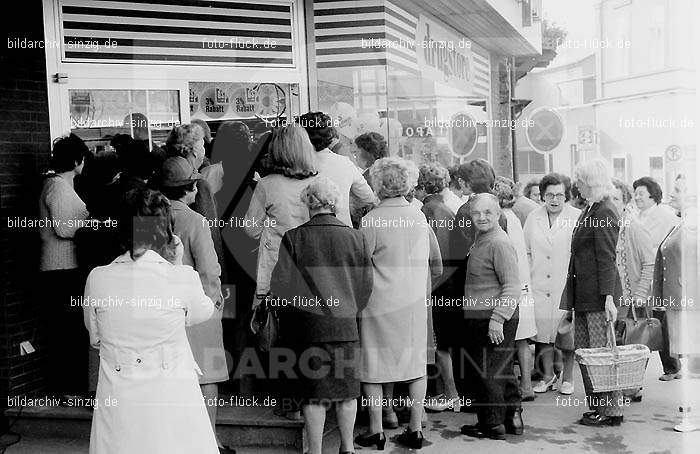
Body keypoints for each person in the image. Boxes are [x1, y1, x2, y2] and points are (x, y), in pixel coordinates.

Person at [84, 188, 219, 454]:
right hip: (172, 395)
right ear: (166, 230)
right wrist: (179, 264)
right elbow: (204, 311)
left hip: (119, 397)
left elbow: (95, 336)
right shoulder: (181, 277)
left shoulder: (97, 278)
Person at [270, 177, 372, 454]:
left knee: (314, 395)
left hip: (308, 328)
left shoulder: (294, 237)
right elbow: (366, 286)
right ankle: (348, 448)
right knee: (348, 391)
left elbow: (280, 286)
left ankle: (315, 450)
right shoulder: (356, 237)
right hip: (345, 325)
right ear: (335, 203)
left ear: (308, 203)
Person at [355, 157, 442, 450]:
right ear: (408, 183)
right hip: (414, 302)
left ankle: (377, 430)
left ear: (377, 185)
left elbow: (360, 266)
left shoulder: (370, 221)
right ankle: (416, 429)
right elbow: (437, 265)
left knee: (373, 367)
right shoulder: (419, 217)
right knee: (416, 365)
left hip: (378, 302)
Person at [159, 156, 231, 453]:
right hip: (197, 307)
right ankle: (209, 440)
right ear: (190, 189)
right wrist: (215, 304)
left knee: (170, 379)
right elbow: (209, 270)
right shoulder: (196, 220)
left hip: (163, 309)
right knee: (207, 377)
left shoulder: (150, 217)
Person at [561, 159, 623, 427]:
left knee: (600, 356)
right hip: (586, 295)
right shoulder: (592, 208)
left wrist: (609, 297)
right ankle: (599, 407)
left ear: (592, 182)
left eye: (581, 181)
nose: (577, 185)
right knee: (588, 354)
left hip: (598, 296)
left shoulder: (604, 211)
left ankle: (610, 411)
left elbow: (607, 258)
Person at [458, 193, 522, 440]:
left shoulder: (498, 242)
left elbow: (512, 286)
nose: (481, 217)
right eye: (476, 213)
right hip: (485, 315)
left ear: (498, 214)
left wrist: (498, 319)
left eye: (488, 212)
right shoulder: (483, 238)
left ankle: (492, 425)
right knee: (500, 369)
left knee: (488, 372)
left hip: (492, 317)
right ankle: (511, 419)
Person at [448, 159, 507, 402]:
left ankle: (480, 405)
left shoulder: (468, 210)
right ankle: (508, 411)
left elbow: (460, 256)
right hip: (496, 287)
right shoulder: (496, 207)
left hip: (473, 291)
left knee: (476, 353)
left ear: (464, 181)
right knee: (498, 356)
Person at [39, 133, 90, 399]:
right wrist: (93, 226)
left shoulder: (59, 186)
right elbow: (65, 227)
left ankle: (67, 387)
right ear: (77, 160)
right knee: (66, 329)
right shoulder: (58, 187)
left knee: (65, 328)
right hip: (61, 268)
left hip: (62, 267)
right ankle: (67, 389)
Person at [244, 124, 318, 300]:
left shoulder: (267, 185)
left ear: (276, 150)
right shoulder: (322, 182)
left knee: (276, 322)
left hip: (277, 266)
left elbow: (251, 230)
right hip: (313, 265)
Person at [523, 173, 580, 396]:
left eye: (559, 195)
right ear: (543, 196)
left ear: (566, 196)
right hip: (538, 284)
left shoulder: (576, 216)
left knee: (565, 334)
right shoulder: (533, 217)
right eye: (549, 195)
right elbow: (527, 251)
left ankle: (567, 377)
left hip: (564, 284)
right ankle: (547, 376)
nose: (554, 200)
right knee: (542, 335)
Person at [417, 163, 461, 413]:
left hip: (437, 286)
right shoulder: (446, 210)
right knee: (447, 343)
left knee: (440, 344)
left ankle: (451, 394)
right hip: (452, 284)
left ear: (422, 186)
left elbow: (433, 258)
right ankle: (451, 393)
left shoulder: (428, 211)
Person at [632, 176, 681, 380]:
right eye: (635, 193)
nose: (637, 197)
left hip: (661, 276)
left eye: (641, 193)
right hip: (642, 276)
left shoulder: (666, 215)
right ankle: (636, 373)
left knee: (661, 322)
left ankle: (672, 367)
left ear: (653, 194)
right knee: (642, 324)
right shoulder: (636, 216)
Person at [611, 178, 655, 402]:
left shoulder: (634, 227)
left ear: (625, 202)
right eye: (609, 198)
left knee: (633, 342)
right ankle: (626, 386)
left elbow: (649, 262)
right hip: (616, 298)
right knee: (619, 343)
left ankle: (631, 387)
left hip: (633, 298)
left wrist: (639, 295)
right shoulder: (609, 226)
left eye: (616, 198)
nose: (612, 202)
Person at [494, 176, 537, 401]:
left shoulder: (501, 219)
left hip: (511, 285)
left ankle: (512, 387)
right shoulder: (514, 217)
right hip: (524, 283)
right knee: (523, 339)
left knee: (509, 337)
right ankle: (527, 385)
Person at [300, 112, 376, 227]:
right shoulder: (345, 163)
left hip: (307, 235)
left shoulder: (296, 167)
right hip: (343, 234)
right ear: (329, 134)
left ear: (301, 137)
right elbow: (368, 198)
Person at [351, 132, 388, 227]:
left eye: (356, 153)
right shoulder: (386, 171)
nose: (355, 157)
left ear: (366, 153)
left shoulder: (369, 177)